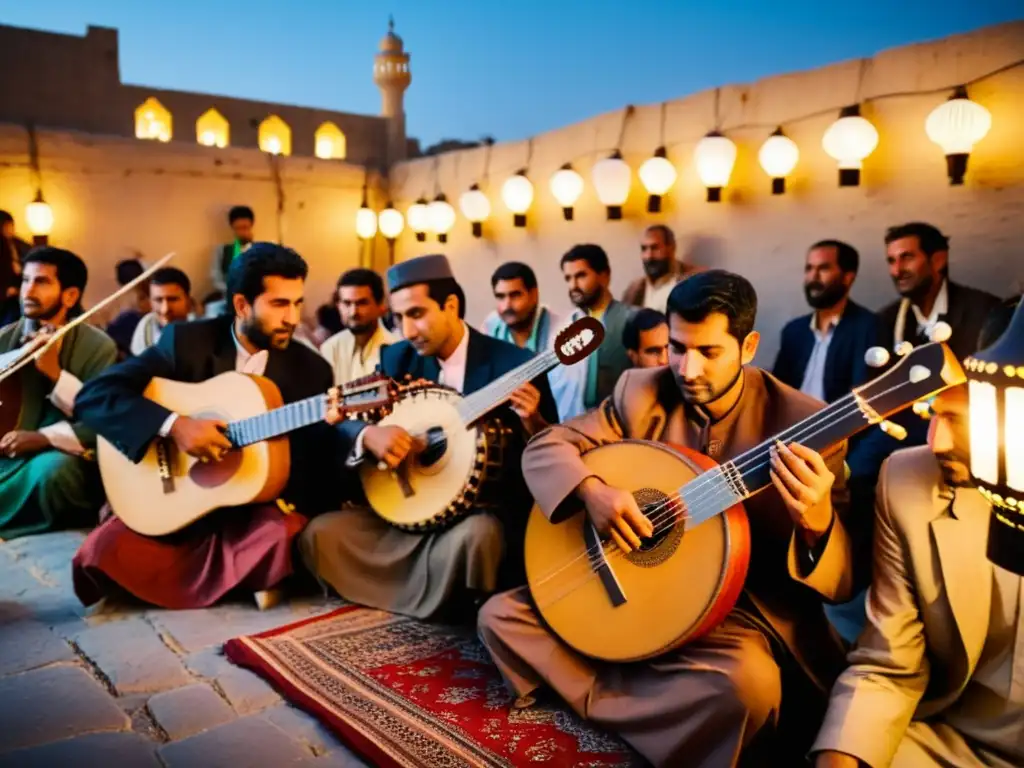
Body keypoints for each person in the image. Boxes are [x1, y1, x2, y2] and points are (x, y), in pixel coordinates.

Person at [478, 269, 859, 767]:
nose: (687, 368)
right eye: (677, 347)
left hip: (735, 616)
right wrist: (593, 490)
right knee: (499, 617)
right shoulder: (640, 390)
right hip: (633, 587)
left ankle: (598, 688)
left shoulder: (807, 422)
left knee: (749, 686)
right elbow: (549, 445)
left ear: (748, 347)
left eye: (708, 351)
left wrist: (816, 521)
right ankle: (656, 711)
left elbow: (848, 579)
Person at [70, 243, 366, 610]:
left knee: (280, 534)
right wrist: (175, 426)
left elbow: (317, 456)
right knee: (100, 551)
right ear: (242, 305)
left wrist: (350, 437)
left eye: (297, 303)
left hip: (249, 511)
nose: (292, 317)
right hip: (176, 501)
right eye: (279, 304)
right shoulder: (187, 343)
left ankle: (224, 573)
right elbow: (95, 395)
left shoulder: (311, 370)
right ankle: (234, 578)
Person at [812, 298, 1021, 768]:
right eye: (933, 415)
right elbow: (889, 662)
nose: (937, 443)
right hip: (956, 742)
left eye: (962, 420)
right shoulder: (908, 482)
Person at [299, 254, 559, 621]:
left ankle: (447, 601)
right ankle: (430, 597)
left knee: (478, 541)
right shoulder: (396, 359)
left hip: (470, 517)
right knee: (321, 533)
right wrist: (369, 433)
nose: (406, 331)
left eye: (416, 314)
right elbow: (345, 418)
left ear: (450, 306)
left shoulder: (514, 364)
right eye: (398, 318)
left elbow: (551, 455)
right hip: (408, 510)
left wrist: (534, 421)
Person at [0, 247, 117, 538]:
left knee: (56, 472)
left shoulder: (99, 347)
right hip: (4, 453)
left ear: (70, 296)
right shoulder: (4, 339)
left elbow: (105, 420)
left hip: (55, 454)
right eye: (26, 280)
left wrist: (55, 374)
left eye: (41, 282)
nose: (28, 290)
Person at [772, 240, 879, 404]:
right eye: (809, 268)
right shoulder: (793, 331)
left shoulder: (868, 328)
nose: (813, 277)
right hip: (791, 426)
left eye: (823, 268)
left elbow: (864, 399)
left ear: (847, 278)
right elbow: (776, 394)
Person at [560, 244, 634, 419]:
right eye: (568, 278)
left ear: (604, 275)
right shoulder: (567, 327)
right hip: (577, 423)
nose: (573, 285)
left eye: (581, 276)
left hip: (622, 420)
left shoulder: (630, 319)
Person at [319, 268, 396, 385]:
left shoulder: (396, 349)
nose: (353, 312)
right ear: (338, 306)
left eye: (362, 303)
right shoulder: (331, 348)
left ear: (380, 305)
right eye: (347, 303)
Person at [620, 225, 703, 310]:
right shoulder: (634, 290)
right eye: (644, 249)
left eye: (655, 248)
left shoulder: (693, 282)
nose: (649, 256)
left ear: (671, 249)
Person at [129, 266, 195, 355]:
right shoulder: (146, 326)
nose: (165, 310)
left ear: (188, 301)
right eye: (158, 300)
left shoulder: (203, 330)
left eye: (172, 299)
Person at [207, 205, 255, 316]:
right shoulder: (222, 251)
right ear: (232, 228)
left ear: (251, 226)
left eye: (245, 227)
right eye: (238, 228)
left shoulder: (260, 250)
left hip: (253, 301)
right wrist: (230, 290)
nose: (242, 232)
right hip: (227, 300)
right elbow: (215, 277)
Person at [0, 209, 31, 326]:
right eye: (6, 226)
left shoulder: (19, 244)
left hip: (19, 294)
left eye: (11, 225)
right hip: (5, 300)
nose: (10, 229)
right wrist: (5, 291)